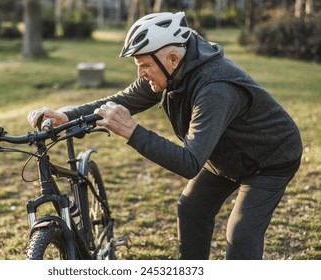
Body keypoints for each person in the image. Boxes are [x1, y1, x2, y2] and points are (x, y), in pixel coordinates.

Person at [27, 12, 302, 260]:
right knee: (191, 210)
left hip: (268, 161)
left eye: (144, 65)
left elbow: (189, 163)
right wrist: (68, 115)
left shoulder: (215, 89)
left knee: (241, 235)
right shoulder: (175, 69)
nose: (140, 73)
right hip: (222, 154)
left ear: (172, 58)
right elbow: (127, 98)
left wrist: (131, 131)